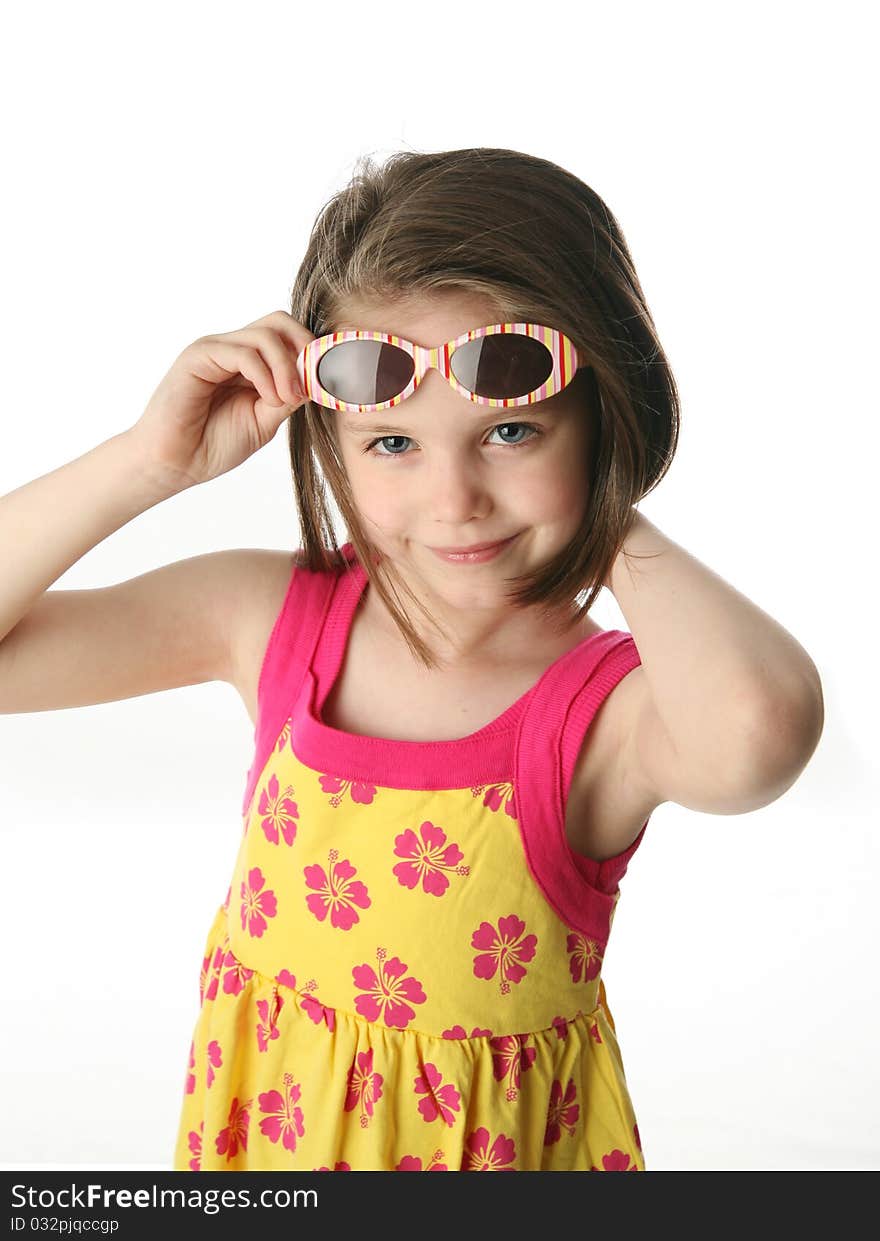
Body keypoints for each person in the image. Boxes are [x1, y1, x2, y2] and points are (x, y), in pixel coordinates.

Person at [0, 147, 824, 1172]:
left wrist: (610, 508)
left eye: (511, 430)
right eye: (393, 444)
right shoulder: (264, 616)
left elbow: (760, 736)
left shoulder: (604, 712)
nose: (455, 501)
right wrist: (146, 459)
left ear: (599, 416)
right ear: (331, 441)